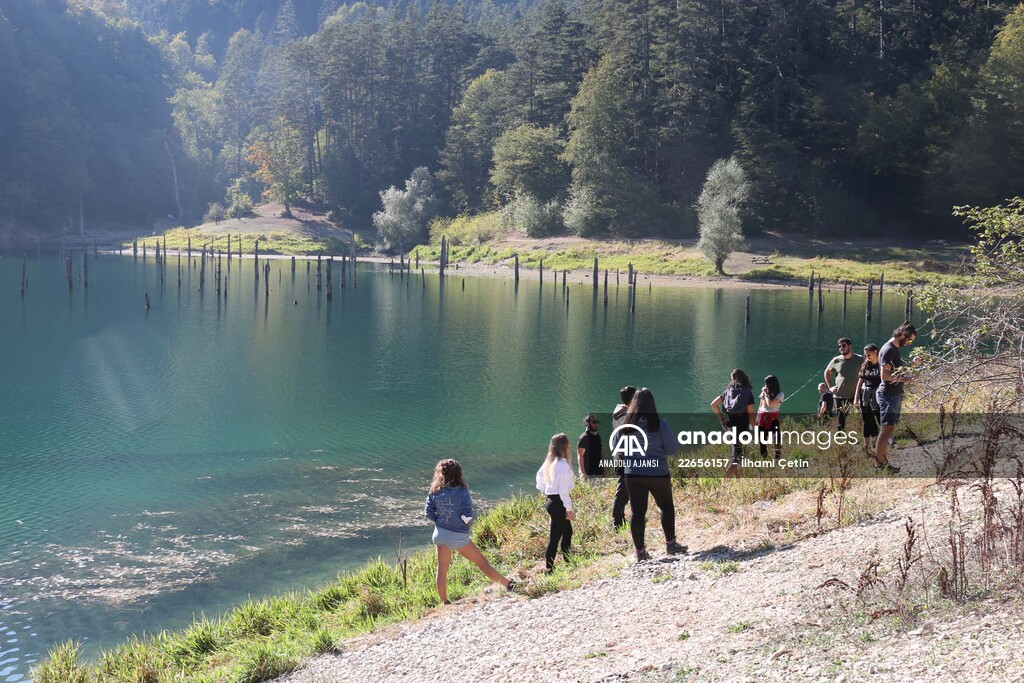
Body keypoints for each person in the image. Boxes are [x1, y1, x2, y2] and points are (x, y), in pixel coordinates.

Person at [424, 459, 515, 604]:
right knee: (483, 563)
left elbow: (428, 512)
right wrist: (465, 524)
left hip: (439, 534)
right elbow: (467, 515)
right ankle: (509, 584)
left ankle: (444, 602)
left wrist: (440, 521)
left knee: (441, 570)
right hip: (458, 535)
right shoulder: (462, 491)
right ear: (458, 474)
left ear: (440, 474)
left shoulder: (434, 490)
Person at [618, 388, 688, 561]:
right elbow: (672, 449)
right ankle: (671, 544)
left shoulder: (625, 426)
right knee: (665, 507)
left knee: (637, 512)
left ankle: (640, 552)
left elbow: (619, 449)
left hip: (633, 474)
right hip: (657, 473)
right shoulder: (660, 424)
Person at [874, 321, 919, 473]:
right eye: (909, 339)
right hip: (888, 394)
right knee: (886, 429)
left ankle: (883, 462)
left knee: (888, 429)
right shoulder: (888, 350)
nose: (909, 343)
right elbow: (885, 376)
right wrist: (908, 380)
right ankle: (879, 465)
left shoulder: (894, 349)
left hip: (894, 394)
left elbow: (896, 372)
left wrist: (912, 366)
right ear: (902, 334)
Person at [535, 433, 575, 572]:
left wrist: (544, 490)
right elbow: (564, 492)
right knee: (555, 537)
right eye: (568, 443)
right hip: (559, 503)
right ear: (565, 446)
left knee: (567, 532)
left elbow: (539, 476)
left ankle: (568, 562)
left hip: (552, 501)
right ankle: (549, 568)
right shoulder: (563, 466)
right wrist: (568, 510)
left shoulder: (551, 462)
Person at [711, 369, 756, 478]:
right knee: (738, 457)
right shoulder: (747, 393)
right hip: (742, 427)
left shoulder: (727, 392)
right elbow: (750, 414)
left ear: (734, 380)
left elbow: (713, 404)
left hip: (730, 427)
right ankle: (725, 480)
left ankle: (738, 480)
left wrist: (722, 419)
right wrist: (756, 429)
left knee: (736, 454)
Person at [610, 385, 637, 529]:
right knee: (622, 493)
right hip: (624, 459)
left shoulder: (621, 413)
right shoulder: (624, 417)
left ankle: (622, 518)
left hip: (621, 458)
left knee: (626, 491)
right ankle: (617, 522)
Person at [824, 338, 863, 430]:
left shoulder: (859, 359)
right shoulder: (836, 360)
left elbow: (867, 371)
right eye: (839, 346)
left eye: (844, 345)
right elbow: (827, 373)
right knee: (841, 421)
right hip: (839, 396)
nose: (841, 348)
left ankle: (860, 437)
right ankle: (841, 439)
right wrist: (830, 387)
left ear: (850, 346)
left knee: (860, 418)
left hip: (855, 396)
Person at [853, 343, 882, 454]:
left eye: (869, 354)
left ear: (875, 352)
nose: (867, 356)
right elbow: (859, 382)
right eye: (865, 355)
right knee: (866, 420)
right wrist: (856, 398)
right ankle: (866, 445)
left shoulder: (881, 365)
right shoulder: (865, 366)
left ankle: (886, 441)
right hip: (865, 396)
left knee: (880, 418)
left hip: (878, 396)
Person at [757, 375, 784, 460]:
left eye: (767, 384)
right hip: (762, 418)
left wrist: (766, 393)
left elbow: (771, 404)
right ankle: (764, 458)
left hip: (773, 419)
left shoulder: (780, 394)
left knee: (777, 440)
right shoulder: (764, 393)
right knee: (762, 440)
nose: (765, 386)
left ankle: (777, 459)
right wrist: (757, 417)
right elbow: (761, 404)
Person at [577, 413, 603, 481]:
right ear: (587, 423)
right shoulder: (584, 438)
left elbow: (600, 454)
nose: (596, 424)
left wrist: (603, 471)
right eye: (594, 422)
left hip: (598, 473)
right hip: (588, 474)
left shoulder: (598, 436)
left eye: (597, 422)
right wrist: (583, 473)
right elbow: (580, 456)